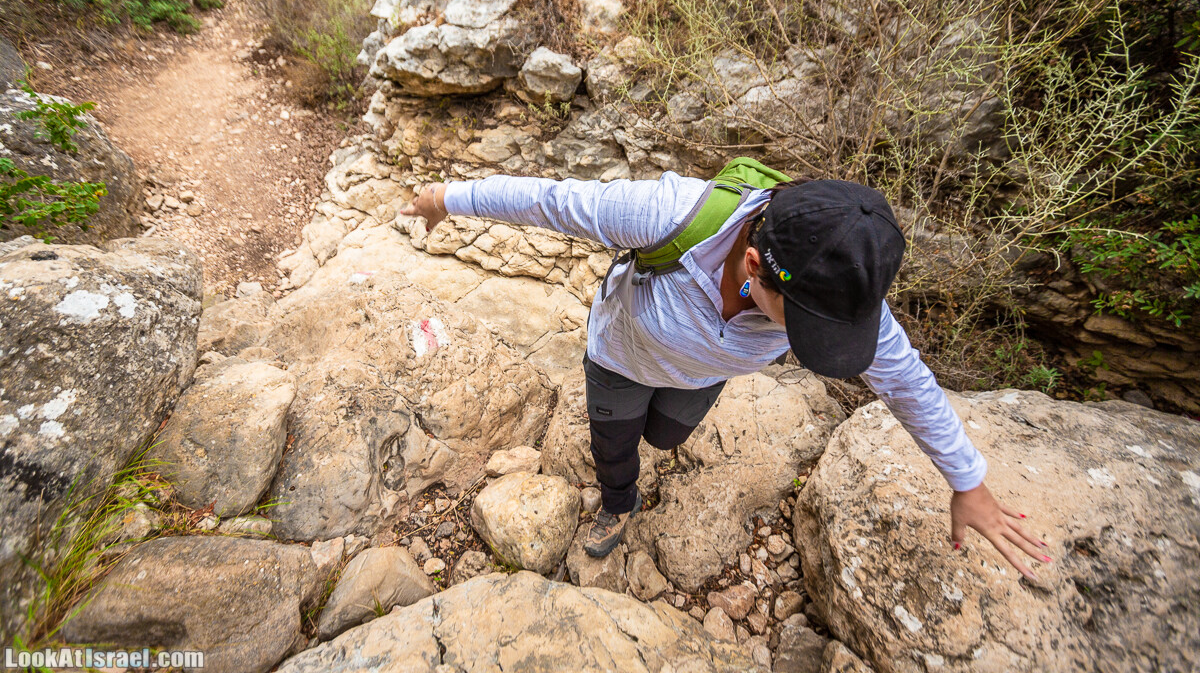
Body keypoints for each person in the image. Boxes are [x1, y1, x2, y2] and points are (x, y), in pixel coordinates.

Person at [401, 171, 1052, 579]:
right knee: (616, 448)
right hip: (621, 358)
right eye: (800, 328)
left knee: (665, 439)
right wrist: (441, 198)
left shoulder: (839, 289)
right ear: (751, 265)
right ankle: (619, 504)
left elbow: (907, 380)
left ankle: (648, 451)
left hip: (699, 376)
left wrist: (968, 480)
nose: (806, 343)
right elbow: (549, 202)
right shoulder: (669, 213)